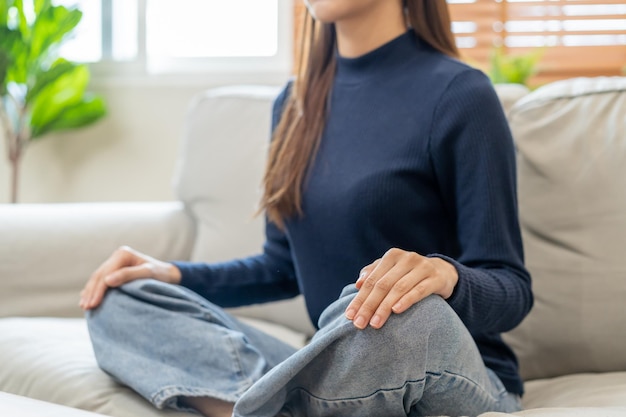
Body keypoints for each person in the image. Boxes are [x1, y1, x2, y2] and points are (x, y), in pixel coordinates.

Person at [80, 1, 533, 416]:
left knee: (394, 311)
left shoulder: (462, 94)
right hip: (333, 361)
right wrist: (171, 275)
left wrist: (444, 276)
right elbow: (282, 268)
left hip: (446, 368)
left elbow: (511, 288)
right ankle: (285, 405)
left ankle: (268, 405)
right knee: (121, 296)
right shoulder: (295, 104)